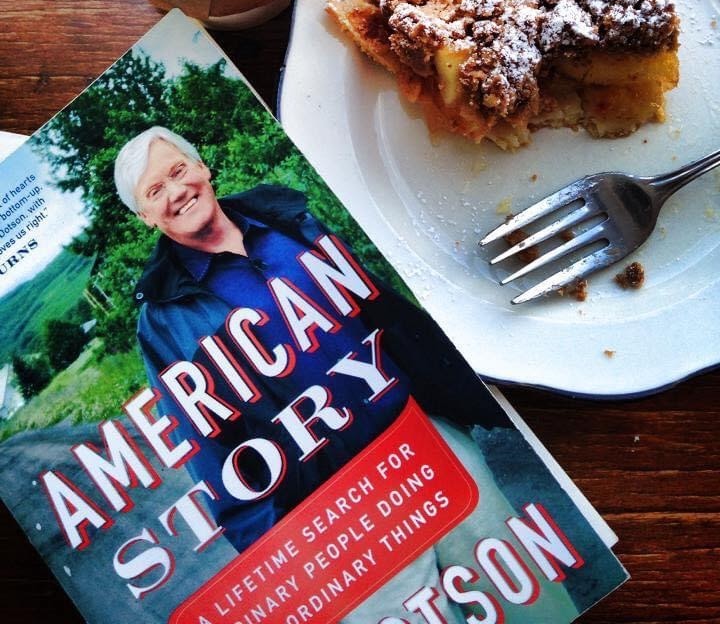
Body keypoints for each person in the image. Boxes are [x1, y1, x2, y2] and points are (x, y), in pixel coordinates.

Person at [114, 127, 579, 623]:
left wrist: (468, 393)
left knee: (536, 607)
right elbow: (212, 454)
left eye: (178, 171)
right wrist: (283, 558)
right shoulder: (162, 322)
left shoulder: (288, 219)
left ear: (202, 166)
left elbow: (387, 315)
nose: (176, 192)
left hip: (423, 445)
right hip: (335, 516)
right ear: (145, 217)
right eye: (154, 191)